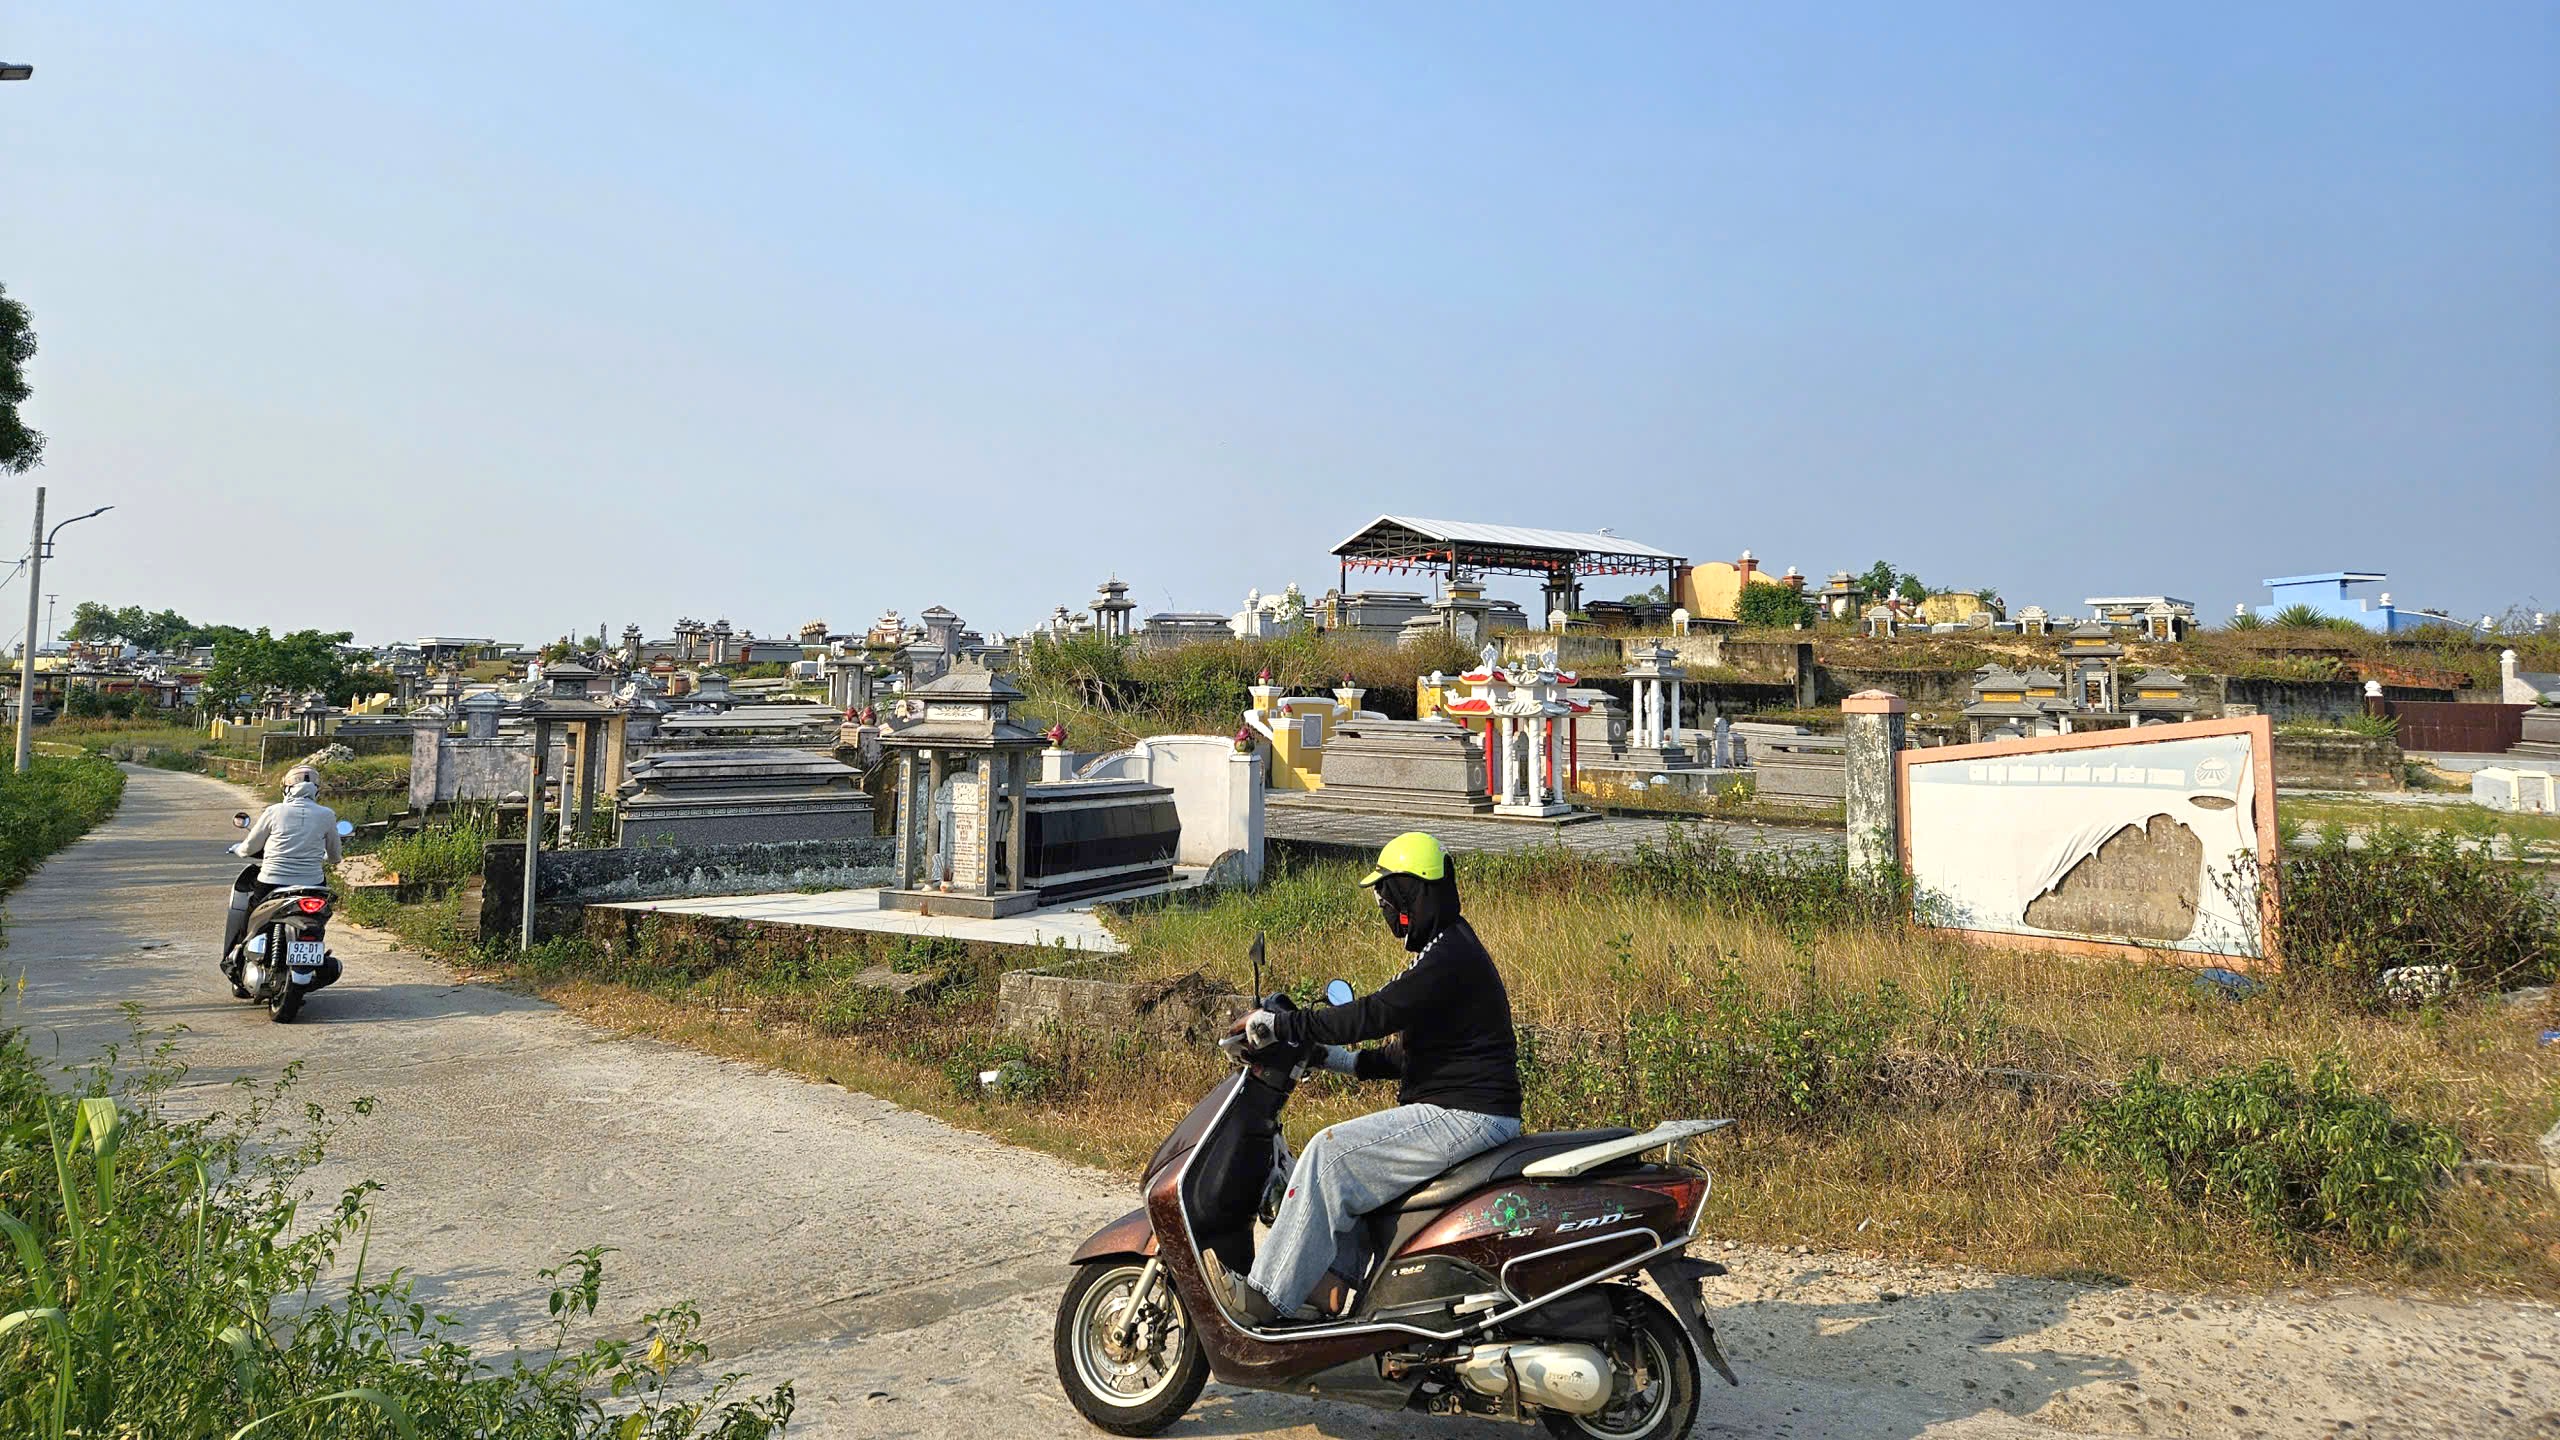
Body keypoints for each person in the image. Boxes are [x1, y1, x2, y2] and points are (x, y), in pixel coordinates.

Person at [1203, 831, 1523, 1325]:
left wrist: (1283, 1025)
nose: (1384, 908)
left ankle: (1265, 1296)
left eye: (1388, 895)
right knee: (1358, 1170)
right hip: (1467, 1110)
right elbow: (1407, 1054)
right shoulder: (1446, 948)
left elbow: (1373, 1014)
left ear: (1412, 894)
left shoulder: (1448, 957)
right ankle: (1327, 1288)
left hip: (1467, 1114)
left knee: (1329, 1155)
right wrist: (1339, 1061)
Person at [222, 768, 342, 962]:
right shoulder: (327, 815)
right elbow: (335, 856)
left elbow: (248, 849)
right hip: (312, 884)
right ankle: (312, 950)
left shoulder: (274, 811)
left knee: (250, 914)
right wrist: (325, 856)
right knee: (317, 921)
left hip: (272, 881)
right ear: (316, 790)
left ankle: (238, 954)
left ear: (287, 789)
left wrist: (237, 848)